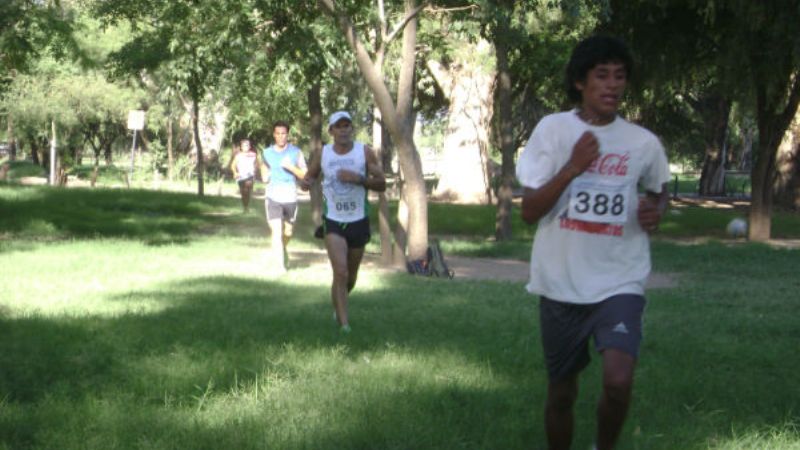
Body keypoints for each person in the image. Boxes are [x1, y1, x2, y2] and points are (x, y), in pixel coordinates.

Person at [516, 36, 669, 450]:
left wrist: (656, 210)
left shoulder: (642, 142)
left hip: (620, 279)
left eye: (619, 76)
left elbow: (659, 191)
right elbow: (529, 211)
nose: (613, 85)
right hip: (560, 283)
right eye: (602, 75)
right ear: (580, 82)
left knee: (618, 382)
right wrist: (573, 167)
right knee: (561, 393)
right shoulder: (553, 130)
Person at [302, 111, 386, 334]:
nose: (343, 130)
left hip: (358, 219)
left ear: (352, 129)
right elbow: (310, 176)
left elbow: (381, 184)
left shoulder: (364, 152)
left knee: (350, 276)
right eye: (338, 126)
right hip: (333, 221)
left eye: (347, 125)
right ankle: (344, 325)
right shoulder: (323, 153)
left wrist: (359, 179)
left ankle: (338, 306)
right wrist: (306, 182)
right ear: (331, 131)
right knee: (340, 272)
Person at [261, 121, 307, 272]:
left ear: (287, 135)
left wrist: (291, 167)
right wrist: (264, 175)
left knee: (288, 232)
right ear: (274, 135)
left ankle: (281, 249)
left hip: (290, 196)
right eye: (278, 133)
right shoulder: (267, 152)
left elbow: (304, 174)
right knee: (276, 231)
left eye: (283, 133)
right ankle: (280, 267)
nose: (281, 136)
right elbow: (264, 166)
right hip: (273, 196)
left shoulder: (296, 152)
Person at [230, 138, 259, 213]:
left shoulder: (253, 155)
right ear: (241, 147)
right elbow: (233, 165)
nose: (246, 147)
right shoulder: (238, 156)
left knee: (248, 189)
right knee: (244, 193)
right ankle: (245, 207)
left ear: (249, 146)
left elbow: (257, 164)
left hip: (250, 175)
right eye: (244, 146)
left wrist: (255, 170)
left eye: (247, 145)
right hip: (241, 176)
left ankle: (246, 206)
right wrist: (235, 172)